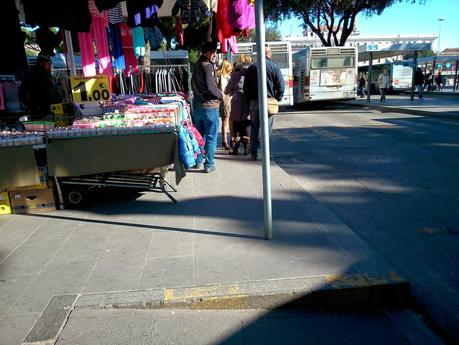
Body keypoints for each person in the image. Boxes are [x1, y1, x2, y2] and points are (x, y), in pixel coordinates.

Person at [243, 46, 284, 161]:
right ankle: (266, 155)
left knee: (255, 128)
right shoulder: (274, 67)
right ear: (269, 55)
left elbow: (246, 88)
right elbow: (281, 86)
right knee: (267, 130)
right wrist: (277, 99)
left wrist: (249, 100)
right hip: (269, 101)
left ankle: (253, 154)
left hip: (254, 102)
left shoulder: (251, 67)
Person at [191, 41, 223, 173]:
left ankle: (198, 161)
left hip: (198, 107)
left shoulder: (197, 65)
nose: (214, 54)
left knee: (199, 136)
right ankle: (209, 164)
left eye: (215, 52)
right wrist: (220, 94)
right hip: (210, 107)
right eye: (212, 52)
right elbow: (210, 87)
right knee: (211, 137)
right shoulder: (208, 66)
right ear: (205, 53)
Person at [19, 53, 62, 119]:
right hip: (40, 111)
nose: (50, 64)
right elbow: (22, 94)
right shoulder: (32, 75)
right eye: (47, 63)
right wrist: (32, 107)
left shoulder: (49, 75)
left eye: (50, 62)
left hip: (54, 110)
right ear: (41, 63)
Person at [224, 54, 252, 155]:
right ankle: (247, 148)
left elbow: (227, 90)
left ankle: (235, 148)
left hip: (236, 103)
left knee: (236, 126)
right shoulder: (253, 72)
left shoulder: (235, 74)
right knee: (247, 126)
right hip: (249, 102)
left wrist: (230, 92)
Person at [216, 60, 233, 150]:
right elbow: (223, 89)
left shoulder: (218, 75)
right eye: (229, 69)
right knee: (226, 120)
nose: (230, 71)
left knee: (225, 120)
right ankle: (225, 141)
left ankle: (226, 140)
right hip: (225, 100)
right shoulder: (223, 77)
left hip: (224, 100)